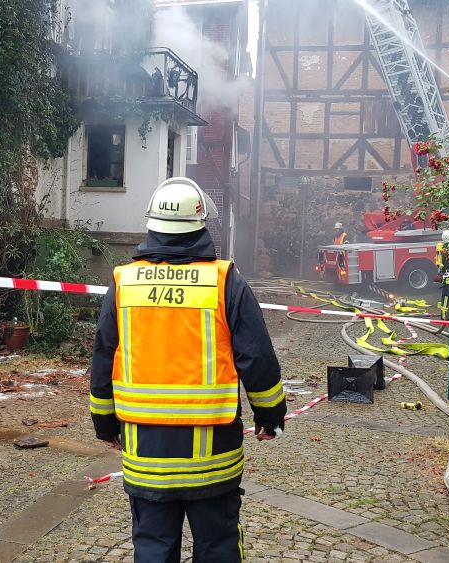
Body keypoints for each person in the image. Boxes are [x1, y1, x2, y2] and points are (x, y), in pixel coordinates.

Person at [89, 177, 287, 563]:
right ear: (201, 224)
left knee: (153, 548)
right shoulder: (225, 282)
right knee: (218, 548)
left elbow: (103, 358)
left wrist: (104, 424)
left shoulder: (124, 282)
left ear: (151, 224)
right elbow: (257, 358)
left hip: (146, 454)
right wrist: (271, 417)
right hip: (213, 458)